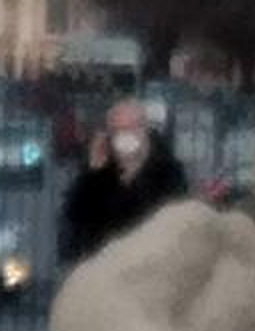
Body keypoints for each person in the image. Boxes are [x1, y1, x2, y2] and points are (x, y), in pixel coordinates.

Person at [58, 99, 188, 270]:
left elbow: (176, 232)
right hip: (106, 274)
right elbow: (72, 240)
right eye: (119, 129)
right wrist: (93, 175)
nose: (127, 135)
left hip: (154, 273)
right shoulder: (95, 177)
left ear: (146, 130)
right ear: (109, 136)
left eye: (134, 126)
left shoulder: (170, 174)